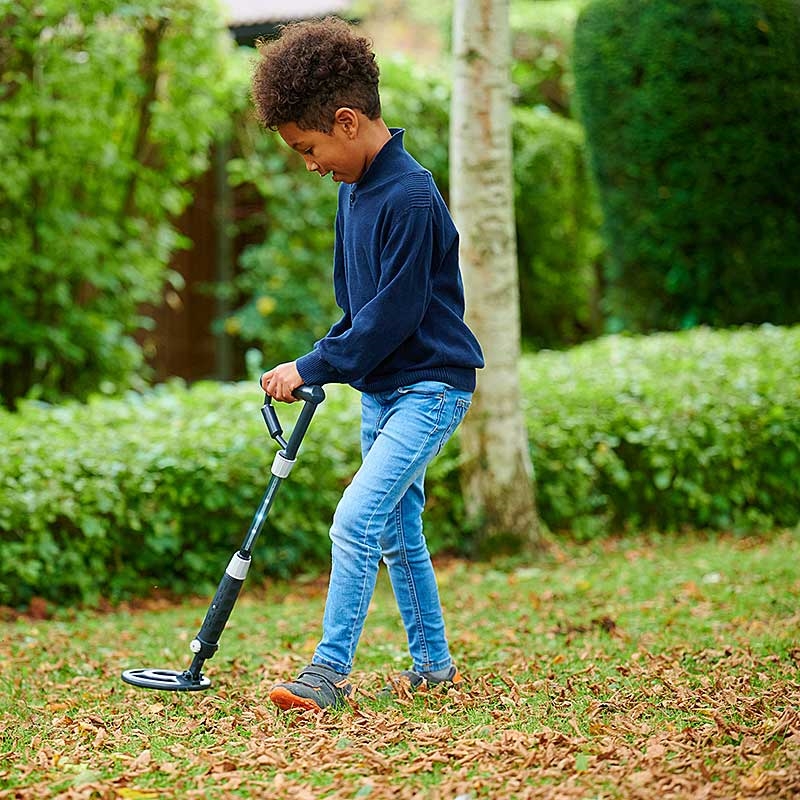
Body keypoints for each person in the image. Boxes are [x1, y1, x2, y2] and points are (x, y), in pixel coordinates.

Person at [251, 16, 484, 712]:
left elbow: (393, 318)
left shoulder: (411, 197)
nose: (309, 163)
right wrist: (310, 361)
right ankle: (433, 667)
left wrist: (313, 366)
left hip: (431, 387)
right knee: (392, 528)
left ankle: (327, 672)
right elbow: (357, 311)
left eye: (309, 146)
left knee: (355, 519)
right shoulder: (353, 193)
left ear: (347, 121)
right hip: (385, 390)